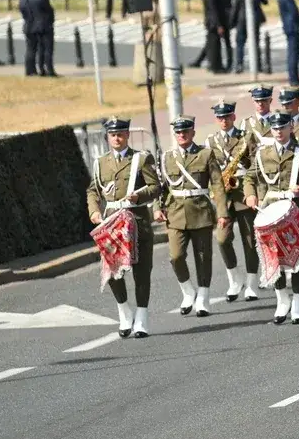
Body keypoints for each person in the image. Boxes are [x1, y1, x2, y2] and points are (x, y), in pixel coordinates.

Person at [243, 110, 299, 324]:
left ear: (291, 127)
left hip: (294, 209)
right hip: (270, 209)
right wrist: (250, 194)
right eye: (275, 128)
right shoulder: (262, 153)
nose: (278, 131)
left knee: (296, 256)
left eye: (282, 127)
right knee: (273, 256)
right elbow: (250, 176)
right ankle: (282, 299)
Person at [86, 116, 162, 338]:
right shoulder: (101, 162)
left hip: (137, 221)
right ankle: (124, 312)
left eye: (120, 134)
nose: (116, 138)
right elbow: (93, 190)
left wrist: (139, 196)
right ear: (108, 137)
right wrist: (94, 210)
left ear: (127, 135)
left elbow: (156, 187)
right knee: (112, 272)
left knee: (141, 272)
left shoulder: (141, 159)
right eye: (112, 135)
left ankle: (142, 317)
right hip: (111, 223)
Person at [155, 116, 230, 317]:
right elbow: (160, 187)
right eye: (178, 132)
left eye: (185, 131)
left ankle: (203, 297)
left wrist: (222, 212)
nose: (182, 135)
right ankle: (188, 291)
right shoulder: (167, 157)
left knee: (203, 257)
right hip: (175, 213)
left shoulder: (205, 154)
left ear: (193, 133)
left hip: (200, 212)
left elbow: (217, 185)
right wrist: (157, 207)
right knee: (176, 257)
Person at [204, 100, 259, 303]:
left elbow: (255, 166)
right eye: (220, 117)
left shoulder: (246, 137)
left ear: (234, 117)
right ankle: (235, 278)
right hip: (223, 197)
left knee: (249, 241)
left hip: (243, 193)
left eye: (227, 117)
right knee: (222, 239)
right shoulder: (211, 141)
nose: (224, 121)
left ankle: (252, 283)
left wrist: (252, 190)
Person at [229, 0, 268, 74]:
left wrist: (232, 22)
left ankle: (239, 65)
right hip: (255, 20)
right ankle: (258, 65)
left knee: (240, 43)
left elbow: (235, 9)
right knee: (255, 42)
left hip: (242, 21)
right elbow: (265, 2)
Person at [25, 0, 56, 77]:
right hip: (45, 26)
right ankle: (50, 69)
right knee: (48, 49)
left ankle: (41, 69)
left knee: (40, 49)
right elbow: (49, 11)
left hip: (35, 26)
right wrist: (51, 21)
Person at [277, 0, 299, 86]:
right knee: (293, 53)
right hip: (292, 27)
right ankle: (294, 79)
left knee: (294, 53)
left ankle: (295, 77)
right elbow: (293, 12)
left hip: (291, 26)